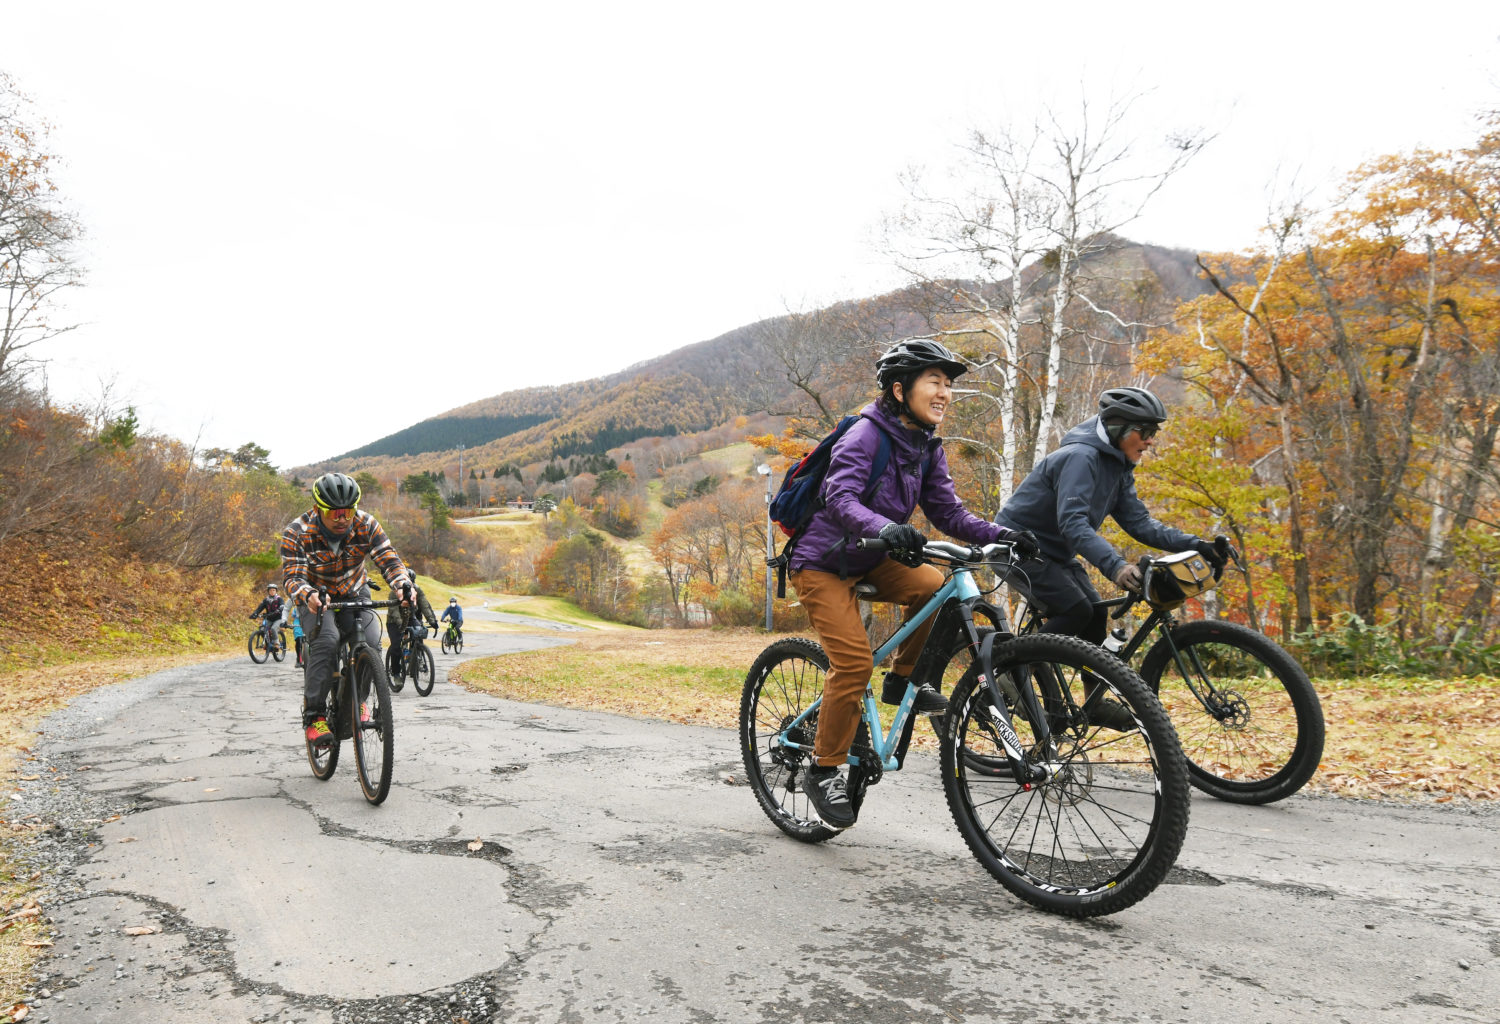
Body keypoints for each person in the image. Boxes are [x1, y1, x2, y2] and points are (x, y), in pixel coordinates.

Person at [789, 339, 1038, 830]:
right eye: (935, 382)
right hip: (821, 562)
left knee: (931, 585)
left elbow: (948, 513)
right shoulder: (865, 434)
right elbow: (839, 496)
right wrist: (884, 528)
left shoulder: (926, 447)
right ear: (900, 390)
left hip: (872, 554)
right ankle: (822, 769)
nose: (945, 393)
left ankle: (902, 680)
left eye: (949, 385)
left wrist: (1002, 534)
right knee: (854, 661)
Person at [996, 385, 1227, 729]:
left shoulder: (1118, 463)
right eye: (1145, 433)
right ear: (1119, 427)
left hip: (1054, 553)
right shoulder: (1081, 457)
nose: (1150, 441)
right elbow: (1073, 524)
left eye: (1154, 433)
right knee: (1076, 609)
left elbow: (1138, 522)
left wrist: (1196, 544)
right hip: (1017, 547)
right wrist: (1116, 566)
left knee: (1094, 614)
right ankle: (1008, 673)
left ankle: (1092, 703)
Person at [281, 472, 416, 746]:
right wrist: (307, 595)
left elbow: (389, 561)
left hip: (354, 589)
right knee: (327, 640)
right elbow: (293, 577)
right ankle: (315, 716)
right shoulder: (296, 532)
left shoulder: (366, 524)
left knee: (370, 640)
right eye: (335, 513)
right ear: (318, 509)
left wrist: (403, 585)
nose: (343, 518)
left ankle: (360, 700)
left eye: (349, 511)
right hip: (315, 596)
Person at [387, 575, 439, 665]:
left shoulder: (417, 590)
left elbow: (424, 605)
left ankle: (416, 656)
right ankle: (396, 671)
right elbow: (394, 611)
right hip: (394, 621)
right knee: (396, 646)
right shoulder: (394, 592)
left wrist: (432, 621)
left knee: (419, 633)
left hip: (411, 617)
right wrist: (401, 624)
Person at [248, 583, 285, 654]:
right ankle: (268, 643)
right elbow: (260, 608)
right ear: (268, 591)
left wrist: (277, 611)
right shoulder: (266, 600)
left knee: (273, 629)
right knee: (262, 629)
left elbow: (282, 606)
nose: (272, 592)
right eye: (271, 590)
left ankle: (276, 643)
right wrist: (255, 614)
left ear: (276, 591)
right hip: (269, 618)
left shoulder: (279, 599)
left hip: (278, 618)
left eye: (274, 590)